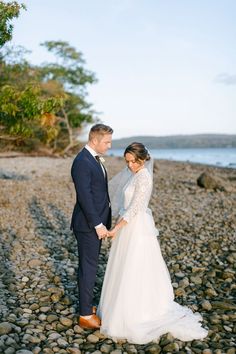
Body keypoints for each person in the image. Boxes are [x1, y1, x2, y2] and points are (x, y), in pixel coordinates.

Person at [98, 142, 208, 344]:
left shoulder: (144, 178)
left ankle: (139, 312)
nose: (129, 165)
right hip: (126, 226)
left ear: (143, 159)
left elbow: (135, 208)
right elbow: (124, 203)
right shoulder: (132, 174)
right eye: (127, 161)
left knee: (136, 267)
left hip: (136, 228)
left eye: (133, 161)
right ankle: (120, 307)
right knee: (123, 267)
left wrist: (116, 228)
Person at [71, 123, 113, 330]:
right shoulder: (82, 162)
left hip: (95, 223)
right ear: (95, 140)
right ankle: (85, 315)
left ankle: (87, 305)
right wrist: (98, 224)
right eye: (106, 142)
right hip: (88, 225)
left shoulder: (94, 159)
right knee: (88, 268)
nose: (109, 146)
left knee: (91, 266)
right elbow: (85, 197)